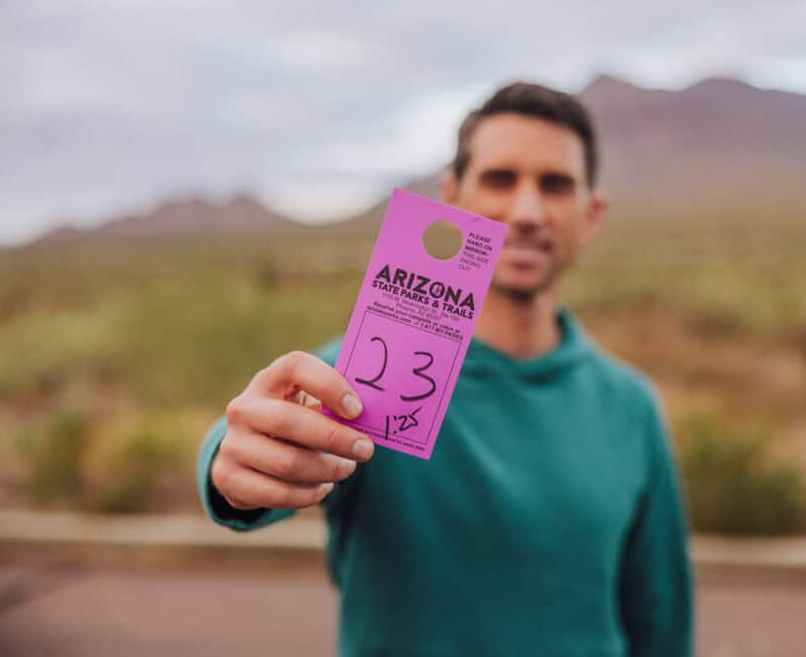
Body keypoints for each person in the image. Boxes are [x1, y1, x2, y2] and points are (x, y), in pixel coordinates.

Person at [197, 82, 695, 656]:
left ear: (591, 215)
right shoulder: (365, 376)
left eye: (554, 185)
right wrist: (230, 466)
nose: (527, 211)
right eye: (500, 179)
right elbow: (252, 442)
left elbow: (661, 623)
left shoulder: (629, 406)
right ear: (452, 198)